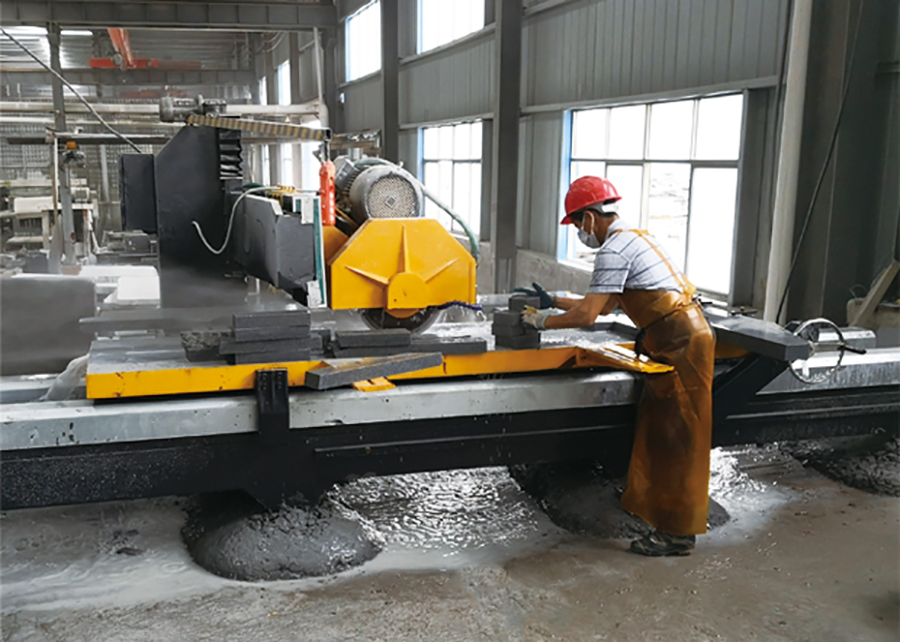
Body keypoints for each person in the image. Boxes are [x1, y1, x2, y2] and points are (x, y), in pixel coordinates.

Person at [520, 175, 715, 557]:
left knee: (679, 438)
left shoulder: (612, 250)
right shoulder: (635, 237)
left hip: (680, 342)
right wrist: (553, 301)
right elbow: (607, 305)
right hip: (676, 338)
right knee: (662, 431)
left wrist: (541, 322)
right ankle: (662, 517)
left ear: (591, 217)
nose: (579, 232)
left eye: (578, 223)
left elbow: (589, 316)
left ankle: (677, 535)